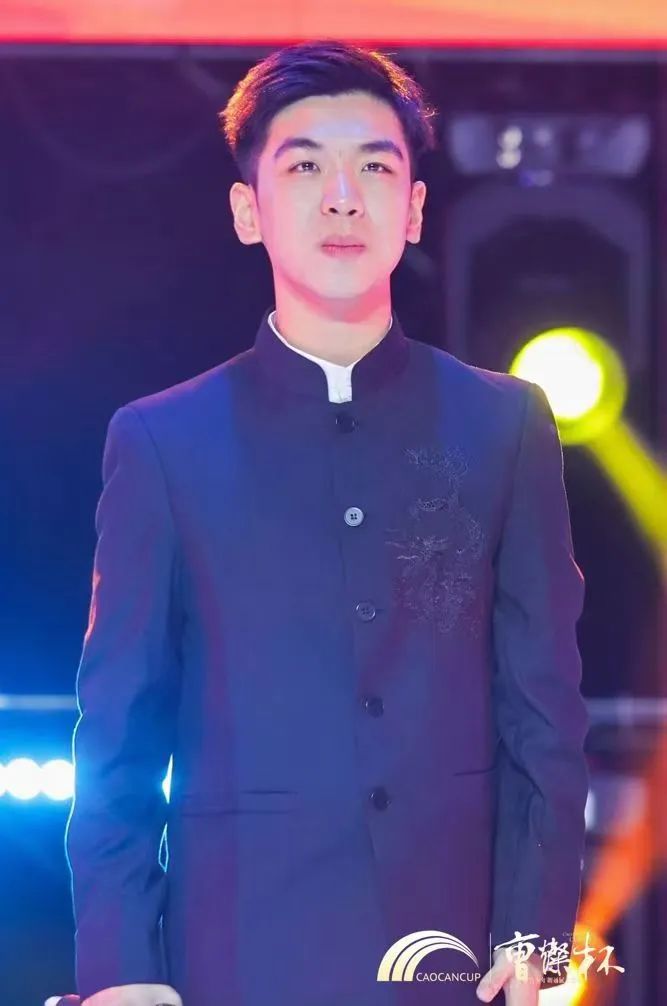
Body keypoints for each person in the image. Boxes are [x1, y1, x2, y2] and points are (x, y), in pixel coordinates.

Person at [50, 39, 588, 1006]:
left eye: (373, 168)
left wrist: (535, 935)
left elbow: (541, 710)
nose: (342, 198)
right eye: (304, 167)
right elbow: (119, 735)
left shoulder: (503, 424)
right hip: (240, 949)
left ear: (412, 208)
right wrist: (122, 969)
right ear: (246, 210)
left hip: (454, 954)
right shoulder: (163, 441)